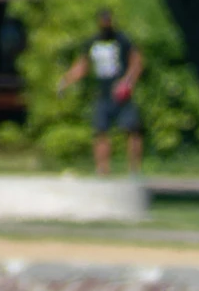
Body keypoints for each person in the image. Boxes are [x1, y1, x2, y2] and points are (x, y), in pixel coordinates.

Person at [58, 9, 145, 175]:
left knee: (132, 129)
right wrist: (65, 81)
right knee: (100, 131)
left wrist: (127, 81)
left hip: (121, 94)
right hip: (103, 93)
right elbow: (82, 66)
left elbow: (137, 62)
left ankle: (135, 169)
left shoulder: (122, 40)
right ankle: (102, 169)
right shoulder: (93, 42)